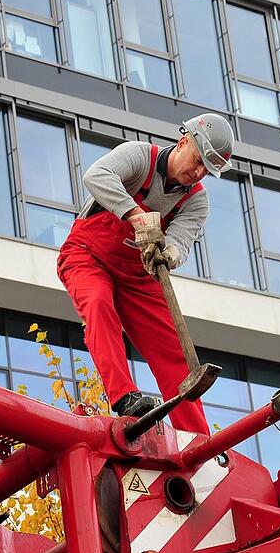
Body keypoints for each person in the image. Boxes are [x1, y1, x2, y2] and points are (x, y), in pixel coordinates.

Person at [57, 114, 235, 435]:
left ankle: (197, 441)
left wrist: (169, 253)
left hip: (139, 277)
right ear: (183, 142)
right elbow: (96, 175)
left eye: (206, 169)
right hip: (88, 255)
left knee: (175, 353)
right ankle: (125, 397)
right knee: (98, 305)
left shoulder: (196, 200)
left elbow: (181, 241)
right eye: (197, 161)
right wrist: (138, 216)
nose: (198, 173)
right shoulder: (139, 157)